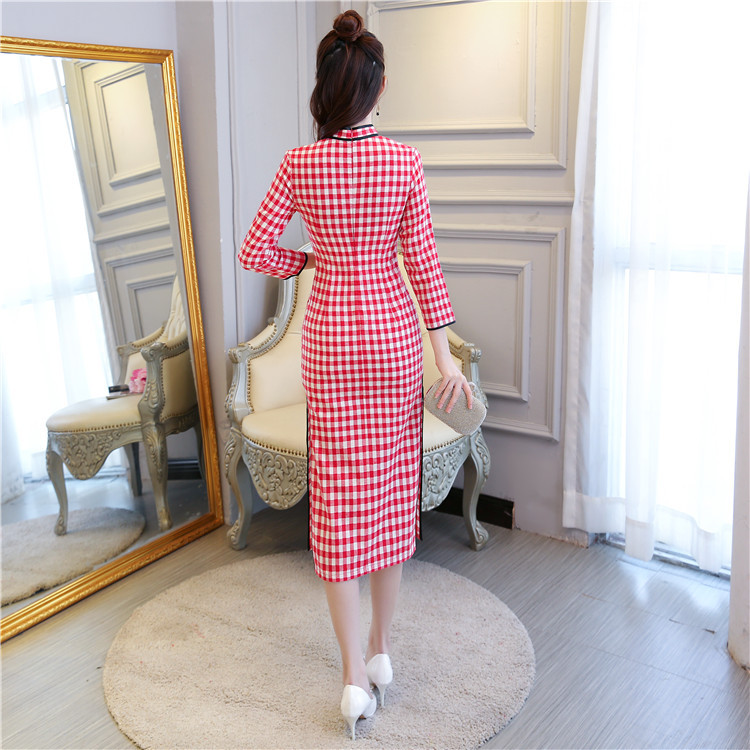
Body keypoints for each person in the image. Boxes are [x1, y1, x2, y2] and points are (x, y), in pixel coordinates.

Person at [238, 9, 472, 740]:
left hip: (332, 341)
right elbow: (425, 267)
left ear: (325, 87)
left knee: (339, 505)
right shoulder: (403, 162)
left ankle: (349, 678)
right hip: (394, 341)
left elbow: (254, 249)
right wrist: (444, 361)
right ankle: (380, 650)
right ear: (378, 87)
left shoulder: (299, 164)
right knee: (393, 497)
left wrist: (309, 260)